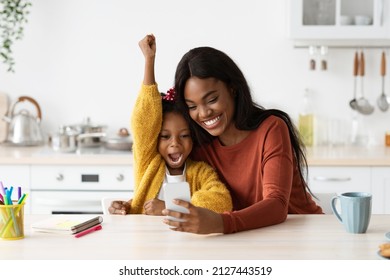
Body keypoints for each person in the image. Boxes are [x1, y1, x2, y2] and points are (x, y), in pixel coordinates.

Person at [161, 45, 323, 234]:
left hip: (302, 233)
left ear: (233, 88)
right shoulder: (199, 145)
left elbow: (277, 205)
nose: (204, 113)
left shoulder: (271, 129)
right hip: (248, 237)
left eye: (212, 100)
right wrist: (134, 204)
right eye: (192, 106)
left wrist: (221, 223)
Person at [109, 35, 232, 216]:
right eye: (165, 136)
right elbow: (144, 120)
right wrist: (149, 61)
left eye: (184, 135)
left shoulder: (200, 172)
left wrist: (169, 208)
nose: (175, 143)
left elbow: (222, 201)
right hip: (149, 241)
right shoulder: (148, 163)